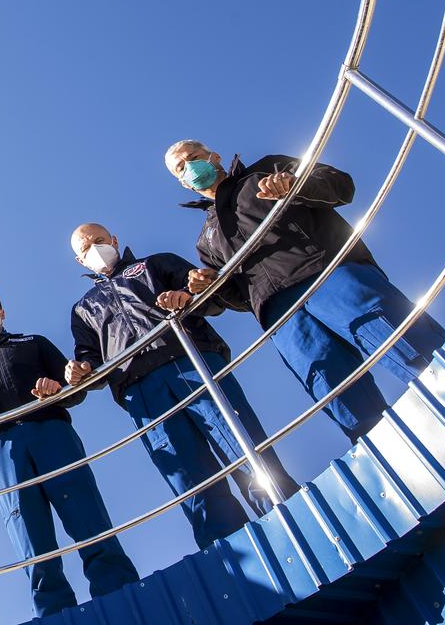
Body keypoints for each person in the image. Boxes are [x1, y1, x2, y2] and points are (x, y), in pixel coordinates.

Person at [165, 140, 445, 441]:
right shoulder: (207, 239)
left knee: (404, 341)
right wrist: (212, 286)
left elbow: (341, 185)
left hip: (329, 274)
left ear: (214, 156)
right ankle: (405, 466)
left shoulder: (267, 167)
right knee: (336, 392)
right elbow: (240, 298)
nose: (190, 167)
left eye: (193, 157)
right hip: (281, 317)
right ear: (182, 182)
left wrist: (295, 184)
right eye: (181, 168)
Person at [65, 223, 299, 549]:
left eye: (100, 240)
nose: (95, 249)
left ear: (115, 240)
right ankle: (235, 555)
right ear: (80, 261)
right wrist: (79, 370)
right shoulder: (84, 308)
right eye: (86, 248)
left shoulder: (156, 263)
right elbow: (90, 361)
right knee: (191, 482)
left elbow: (211, 299)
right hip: (141, 393)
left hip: (193, 363)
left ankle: (294, 522)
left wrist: (189, 295)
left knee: (245, 449)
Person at [0, 287, 138, 619]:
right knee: (30, 536)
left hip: (51, 431)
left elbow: (73, 384)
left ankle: (121, 597)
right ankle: (55, 613)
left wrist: (58, 387)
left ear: (3, 312)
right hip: (1, 446)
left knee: (87, 516)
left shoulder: (33, 342)